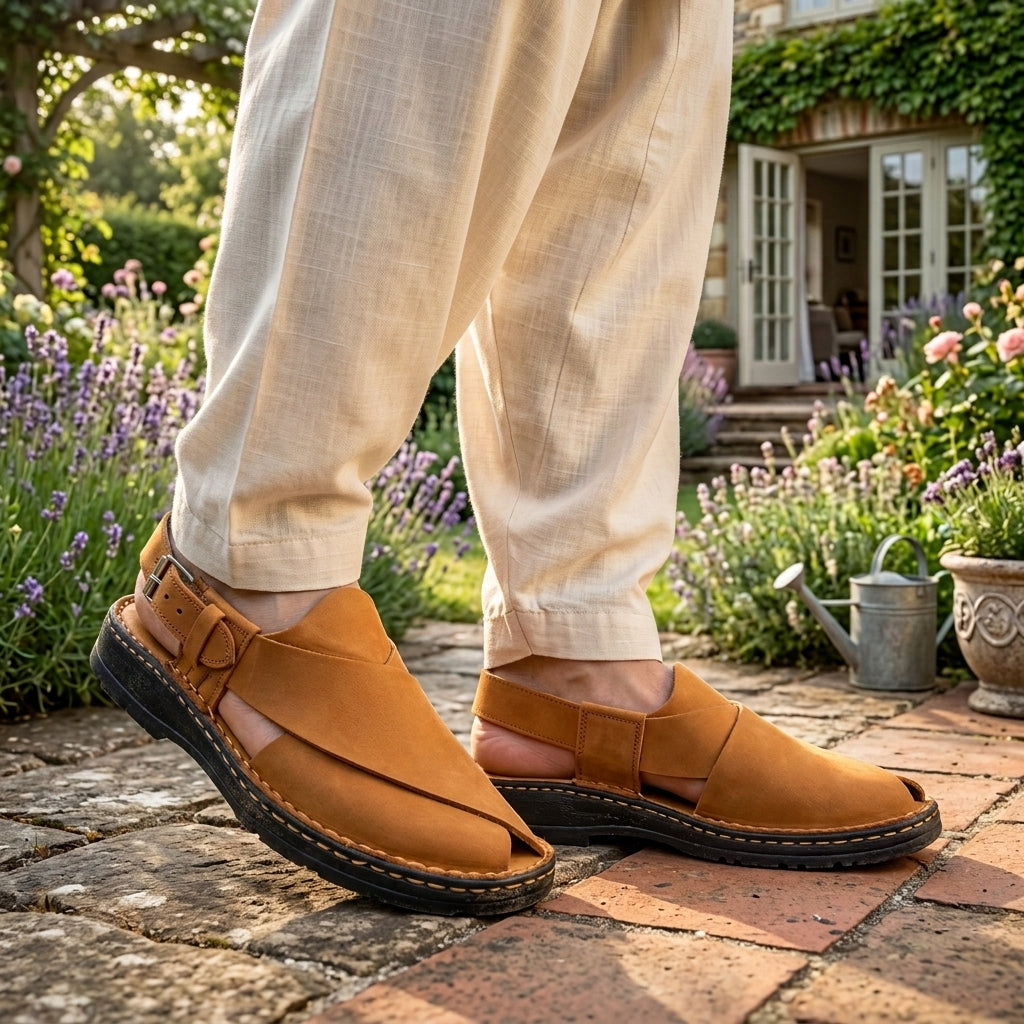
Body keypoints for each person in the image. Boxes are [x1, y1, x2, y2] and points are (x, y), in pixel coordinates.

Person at [91, 1, 940, 917]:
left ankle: (576, 656)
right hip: (239, 588)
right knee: (429, 32)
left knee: (640, 85)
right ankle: (252, 563)